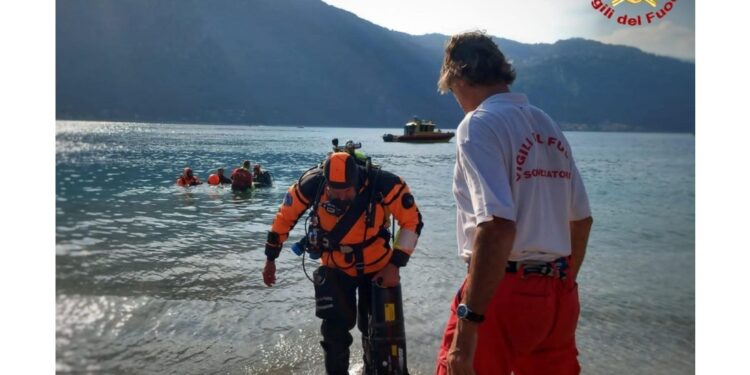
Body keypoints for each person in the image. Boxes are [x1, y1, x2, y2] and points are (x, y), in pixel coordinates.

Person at [434, 31, 593, 375]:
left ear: (458, 77)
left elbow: (496, 225)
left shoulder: (478, 125)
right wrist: (563, 284)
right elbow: (581, 220)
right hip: (557, 293)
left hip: (502, 293)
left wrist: (469, 324)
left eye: (451, 89)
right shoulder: (546, 124)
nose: (455, 98)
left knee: (460, 366)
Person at [262, 152, 423, 374]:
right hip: (335, 266)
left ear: (357, 181)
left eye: (347, 191)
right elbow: (283, 218)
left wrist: (395, 264)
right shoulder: (311, 185)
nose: (342, 197)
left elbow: (413, 221)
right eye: (335, 193)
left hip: (378, 266)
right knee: (334, 332)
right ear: (326, 183)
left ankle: (373, 368)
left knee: (379, 330)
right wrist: (271, 259)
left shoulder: (383, 183)